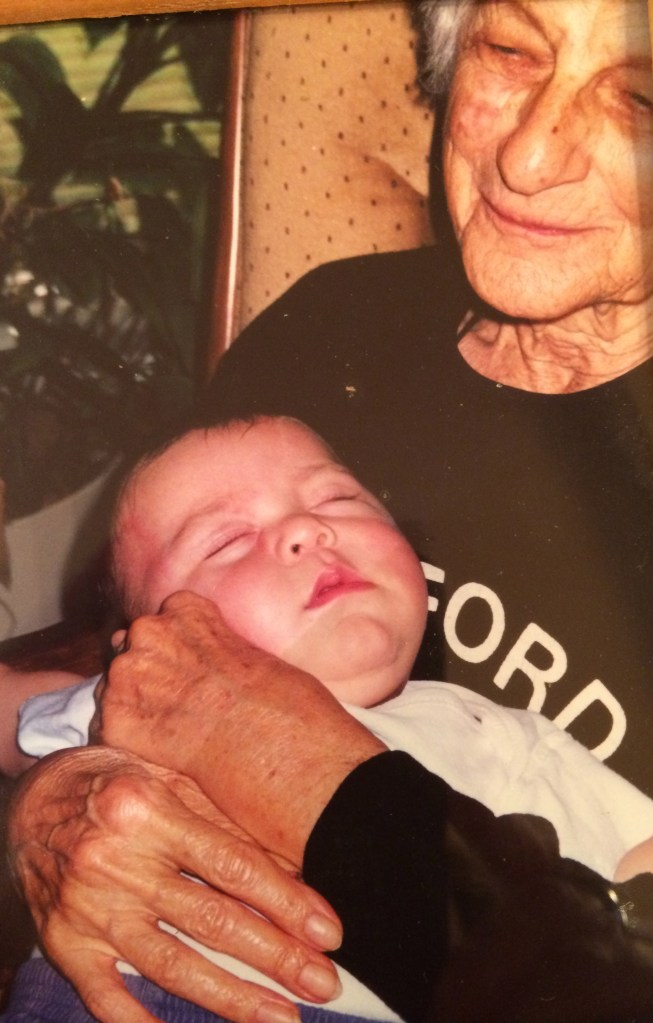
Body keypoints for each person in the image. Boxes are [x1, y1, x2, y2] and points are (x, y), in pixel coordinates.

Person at [5, 0, 653, 1018]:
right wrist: (45, 812)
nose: (528, 159)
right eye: (510, 51)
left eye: (637, 98)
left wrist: (323, 795)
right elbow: (128, 657)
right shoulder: (342, 320)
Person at [7, 414, 653, 1023]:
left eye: (340, 500)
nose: (307, 529)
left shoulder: (503, 730)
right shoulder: (138, 694)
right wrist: (35, 799)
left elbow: (631, 870)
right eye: (227, 540)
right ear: (146, 645)